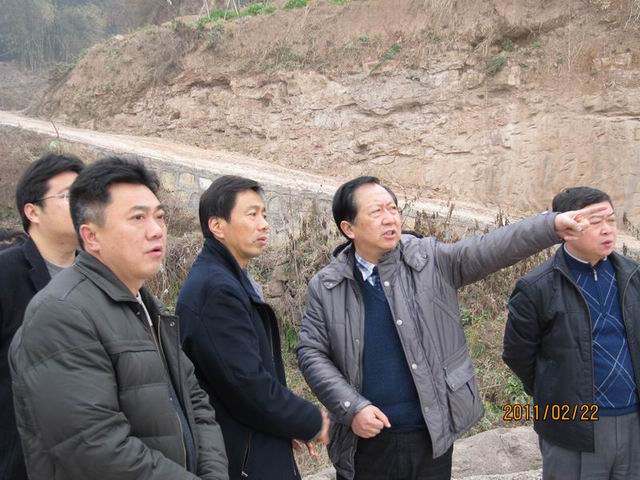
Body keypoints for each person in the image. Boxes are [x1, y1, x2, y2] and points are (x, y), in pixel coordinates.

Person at [297, 176, 605, 480]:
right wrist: (352, 408)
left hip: (430, 439)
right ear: (348, 228)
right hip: (364, 443)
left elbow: (491, 248)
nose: (390, 219)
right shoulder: (327, 286)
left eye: (393, 209)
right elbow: (311, 353)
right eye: (376, 212)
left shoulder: (430, 260)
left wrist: (550, 226)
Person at [9, 157, 229, 480]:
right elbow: (95, 447)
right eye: (137, 218)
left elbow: (196, 404)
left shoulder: (148, 306)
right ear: (91, 236)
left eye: (159, 217)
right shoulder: (60, 314)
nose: (156, 231)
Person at [177, 175, 329, 480]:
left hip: (254, 443)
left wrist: (285, 424)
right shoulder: (216, 291)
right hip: (240, 457)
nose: (264, 225)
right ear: (217, 226)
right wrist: (311, 421)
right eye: (252, 215)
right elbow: (247, 385)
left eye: (264, 214)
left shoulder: (229, 280)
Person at [503, 187, 640, 480]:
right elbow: (517, 356)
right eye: (595, 222)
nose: (607, 229)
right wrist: (558, 391)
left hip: (633, 422)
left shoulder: (633, 276)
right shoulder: (537, 287)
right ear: (565, 229)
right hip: (574, 427)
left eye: (611, 220)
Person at [0, 153, 84, 480]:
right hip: (18, 456)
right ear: (32, 212)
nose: (82, 205)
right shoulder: (7, 275)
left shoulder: (101, 275)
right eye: (68, 196)